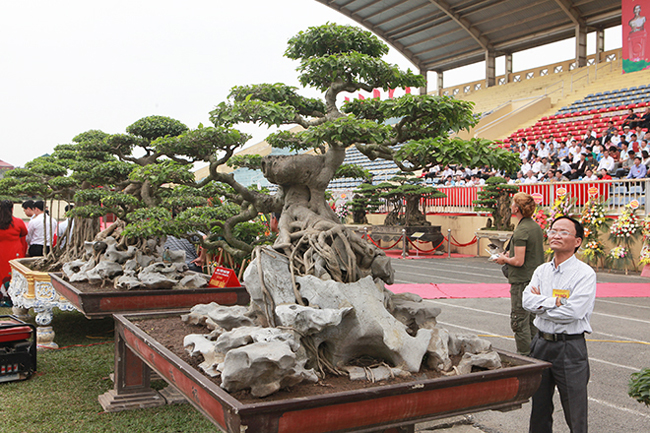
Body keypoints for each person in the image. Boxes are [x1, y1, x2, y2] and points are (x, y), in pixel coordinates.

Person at [523, 216, 595, 433]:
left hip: (569, 347)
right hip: (540, 344)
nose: (555, 235)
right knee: (540, 408)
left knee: (575, 410)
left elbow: (574, 312)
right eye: (553, 230)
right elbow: (526, 301)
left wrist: (541, 305)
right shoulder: (541, 271)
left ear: (577, 241)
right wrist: (554, 301)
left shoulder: (584, 274)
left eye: (564, 232)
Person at [494, 192, 544, 356]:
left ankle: (525, 355)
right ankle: (537, 354)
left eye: (512, 204)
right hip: (534, 279)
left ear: (517, 208)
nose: (510, 206)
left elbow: (519, 261)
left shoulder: (522, 230)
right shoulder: (534, 227)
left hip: (522, 281)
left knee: (519, 320)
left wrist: (504, 260)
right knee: (532, 321)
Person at [0, 201, 28, 306]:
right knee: (14, 274)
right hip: (15, 252)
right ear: (11, 209)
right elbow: (24, 232)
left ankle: (3, 295)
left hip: (1, 252)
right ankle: (14, 296)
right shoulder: (18, 221)